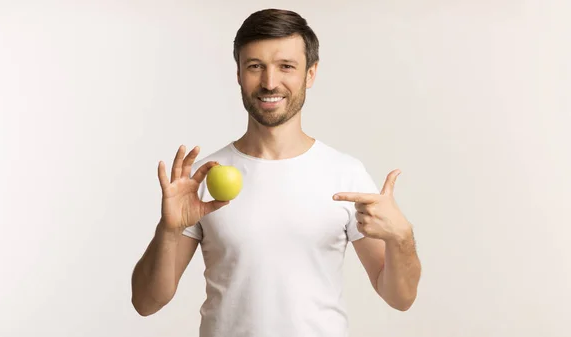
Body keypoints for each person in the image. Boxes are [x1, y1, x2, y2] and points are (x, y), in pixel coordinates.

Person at [131, 8, 422, 337]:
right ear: (239, 73)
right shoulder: (202, 178)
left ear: (310, 74)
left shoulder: (345, 174)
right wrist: (168, 230)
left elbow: (401, 298)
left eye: (286, 66)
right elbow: (146, 302)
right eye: (255, 66)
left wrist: (402, 237)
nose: (270, 82)